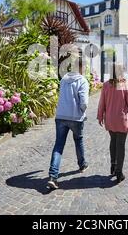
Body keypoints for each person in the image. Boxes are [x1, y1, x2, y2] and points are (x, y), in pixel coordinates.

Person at [47, 59, 90, 190]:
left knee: (58, 146)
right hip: (76, 117)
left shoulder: (64, 79)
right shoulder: (82, 81)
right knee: (78, 140)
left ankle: (53, 177)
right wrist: (82, 112)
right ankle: (82, 165)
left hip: (61, 116)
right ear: (82, 68)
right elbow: (84, 102)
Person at [97, 64, 128, 184]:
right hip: (122, 119)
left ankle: (113, 165)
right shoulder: (124, 84)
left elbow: (102, 101)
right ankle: (119, 172)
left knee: (113, 141)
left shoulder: (106, 85)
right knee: (121, 145)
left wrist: (99, 116)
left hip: (110, 118)